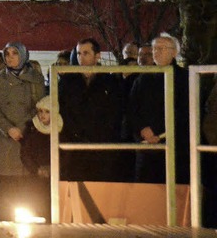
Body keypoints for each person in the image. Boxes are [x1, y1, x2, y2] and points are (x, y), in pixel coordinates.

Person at [0, 42, 45, 220]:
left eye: (15, 53)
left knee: (26, 183)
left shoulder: (35, 78)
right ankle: (6, 221)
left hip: (28, 137)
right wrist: (9, 128)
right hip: (6, 138)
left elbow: (41, 105)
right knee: (7, 186)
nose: (10, 57)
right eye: (7, 54)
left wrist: (27, 128)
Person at [58, 38, 123, 182]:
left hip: (101, 146)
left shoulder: (109, 81)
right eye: (79, 53)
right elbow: (62, 110)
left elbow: (115, 112)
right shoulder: (68, 81)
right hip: (74, 146)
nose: (81, 57)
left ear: (97, 55)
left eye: (86, 53)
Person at [129, 34, 189, 184]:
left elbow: (186, 111)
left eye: (161, 48)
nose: (156, 52)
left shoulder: (185, 78)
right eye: (154, 49)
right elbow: (132, 108)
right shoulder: (143, 79)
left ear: (174, 52)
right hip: (147, 148)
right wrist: (142, 129)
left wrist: (160, 131)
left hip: (177, 148)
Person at [19, 95, 63, 222]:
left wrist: (54, 168)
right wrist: (36, 169)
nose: (43, 115)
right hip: (34, 176)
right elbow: (25, 153)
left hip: (55, 176)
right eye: (40, 111)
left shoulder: (61, 129)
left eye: (47, 112)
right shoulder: (32, 129)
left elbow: (65, 154)